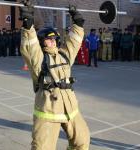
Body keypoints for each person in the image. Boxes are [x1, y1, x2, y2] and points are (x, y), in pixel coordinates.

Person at [19, 2, 90, 150]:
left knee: (82, 142)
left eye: (54, 38)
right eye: (48, 39)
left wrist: (77, 22)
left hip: (71, 109)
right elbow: (30, 46)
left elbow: (74, 42)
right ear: (42, 42)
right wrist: (28, 25)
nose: (52, 41)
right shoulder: (39, 60)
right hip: (48, 111)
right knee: (42, 147)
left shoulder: (64, 55)